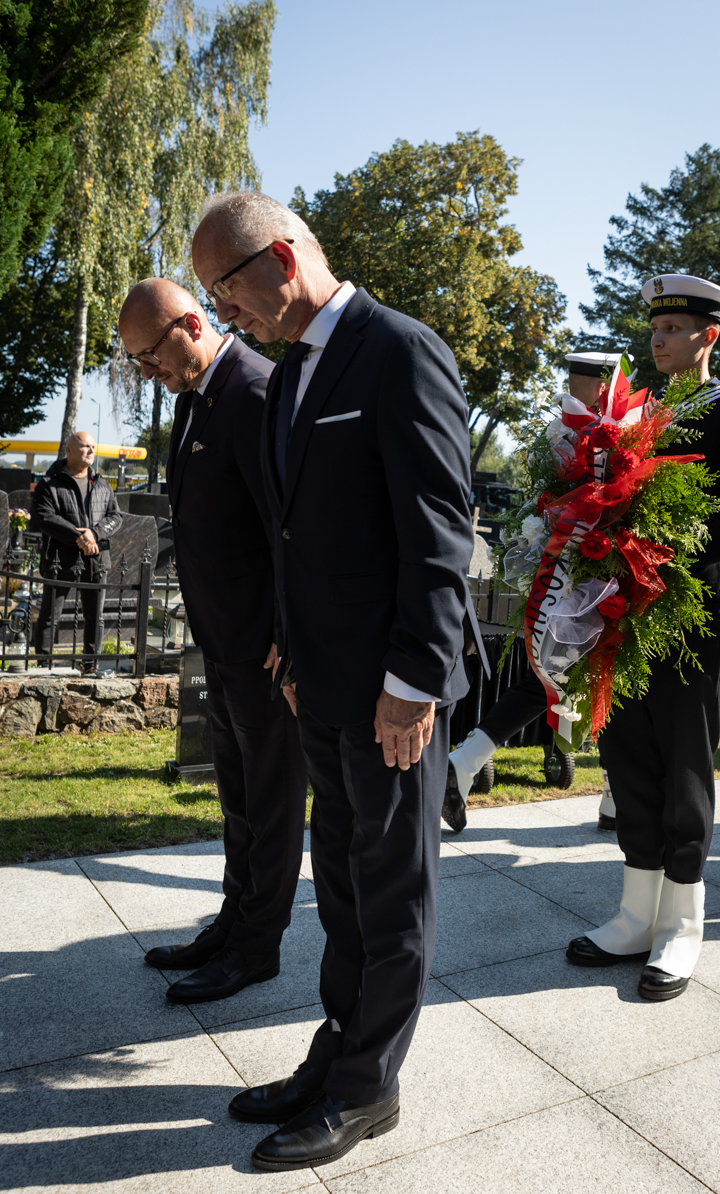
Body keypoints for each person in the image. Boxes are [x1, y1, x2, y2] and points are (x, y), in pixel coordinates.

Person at [191, 191, 482, 1172]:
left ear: (280, 260)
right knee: (345, 885)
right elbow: (291, 535)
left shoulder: (398, 350)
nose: (223, 314)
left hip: (390, 692)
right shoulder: (291, 374)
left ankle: (368, 1088)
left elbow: (438, 534)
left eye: (224, 291)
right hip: (317, 683)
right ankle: (338, 1048)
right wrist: (285, 647)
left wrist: (415, 682)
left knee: (391, 892)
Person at [567, 274, 720, 1001]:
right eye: (654, 329)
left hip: (692, 616)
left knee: (684, 768)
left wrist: (661, 545)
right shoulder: (642, 413)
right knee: (629, 761)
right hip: (628, 614)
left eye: (673, 329)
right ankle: (636, 915)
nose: (657, 340)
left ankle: (682, 925)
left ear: (707, 336)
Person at [117, 278, 308, 1006]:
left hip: (263, 646)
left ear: (191, 325)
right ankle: (232, 923)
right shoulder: (195, 394)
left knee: (271, 799)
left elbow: (290, 525)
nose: (147, 373)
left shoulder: (255, 391)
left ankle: (257, 948)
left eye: (150, 355)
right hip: (223, 639)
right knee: (239, 798)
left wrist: (287, 631)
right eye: (137, 361)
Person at [442, 352, 622, 835]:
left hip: (574, 569)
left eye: (580, 383)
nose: (576, 391)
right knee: (598, 673)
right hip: (590, 574)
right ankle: (614, 793)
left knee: (555, 675)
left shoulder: (568, 432)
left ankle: (466, 760)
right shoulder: (587, 434)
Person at [33, 432, 121, 676]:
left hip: (96, 560)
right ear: (69, 451)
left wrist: (95, 533)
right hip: (60, 560)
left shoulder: (102, 484)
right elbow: (46, 518)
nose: (91, 450)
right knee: (50, 615)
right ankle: (44, 667)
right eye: (85, 446)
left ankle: (90, 666)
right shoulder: (49, 484)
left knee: (95, 616)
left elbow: (116, 516)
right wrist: (81, 538)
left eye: (93, 446)